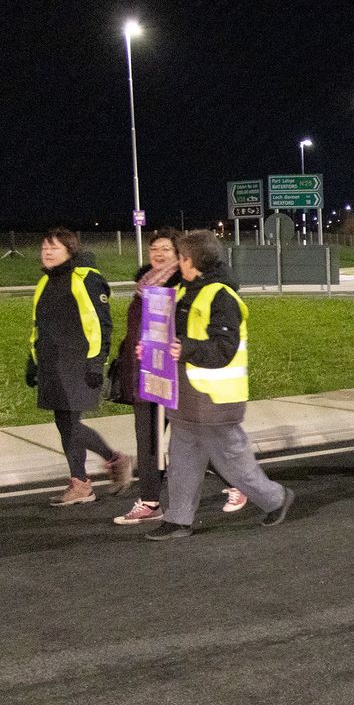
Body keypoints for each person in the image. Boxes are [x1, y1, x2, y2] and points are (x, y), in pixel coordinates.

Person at [145, 230, 294, 540]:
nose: (178, 262)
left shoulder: (221, 296)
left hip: (216, 398)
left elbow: (223, 347)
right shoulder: (187, 292)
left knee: (233, 462)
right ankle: (178, 518)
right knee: (182, 458)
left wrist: (184, 349)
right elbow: (176, 338)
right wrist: (152, 350)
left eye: (182, 257)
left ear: (193, 261)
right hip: (187, 394)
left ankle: (276, 499)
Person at [113, 229, 248, 525]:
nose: (158, 254)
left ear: (180, 256)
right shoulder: (144, 285)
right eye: (154, 249)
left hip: (177, 375)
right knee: (147, 440)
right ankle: (150, 502)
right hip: (146, 371)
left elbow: (188, 331)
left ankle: (238, 483)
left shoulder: (185, 285)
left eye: (166, 249)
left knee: (197, 439)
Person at [26, 228, 131, 506]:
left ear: (70, 251)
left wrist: (97, 364)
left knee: (71, 426)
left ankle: (112, 461)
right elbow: (39, 326)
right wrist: (32, 359)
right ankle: (81, 483)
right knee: (64, 424)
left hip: (79, 364)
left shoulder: (86, 279)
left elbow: (101, 324)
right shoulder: (45, 282)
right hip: (52, 363)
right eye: (44, 247)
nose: (47, 252)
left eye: (54, 248)